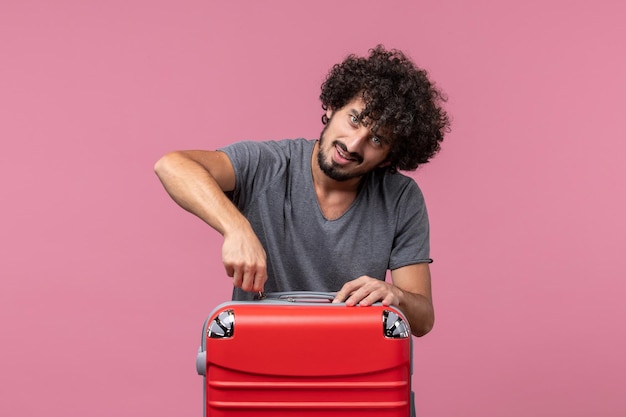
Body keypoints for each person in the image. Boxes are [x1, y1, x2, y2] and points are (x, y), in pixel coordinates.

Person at [154, 45, 450, 336]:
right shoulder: (268, 165)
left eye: (376, 140)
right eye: (355, 119)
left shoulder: (401, 198)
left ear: (388, 157)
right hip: (258, 359)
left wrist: (394, 294)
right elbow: (173, 165)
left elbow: (423, 319)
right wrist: (237, 228)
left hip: (352, 369)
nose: (353, 144)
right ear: (333, 107)